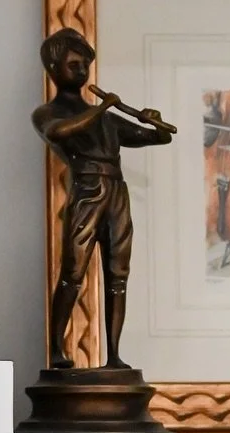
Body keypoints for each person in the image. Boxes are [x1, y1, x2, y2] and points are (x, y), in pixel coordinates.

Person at [33, 28, 176, 370]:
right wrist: (102, 109)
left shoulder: (107, 118)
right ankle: (57, 351)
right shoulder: (49, 113)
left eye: (85, 65)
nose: (81, 71)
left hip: (116, 193)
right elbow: (58, 133)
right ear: (53, 68)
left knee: (118, 275)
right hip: (87, 191)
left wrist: (154, 124)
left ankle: (114, 355)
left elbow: (156, 138)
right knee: (73, 272)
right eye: (73, 64)